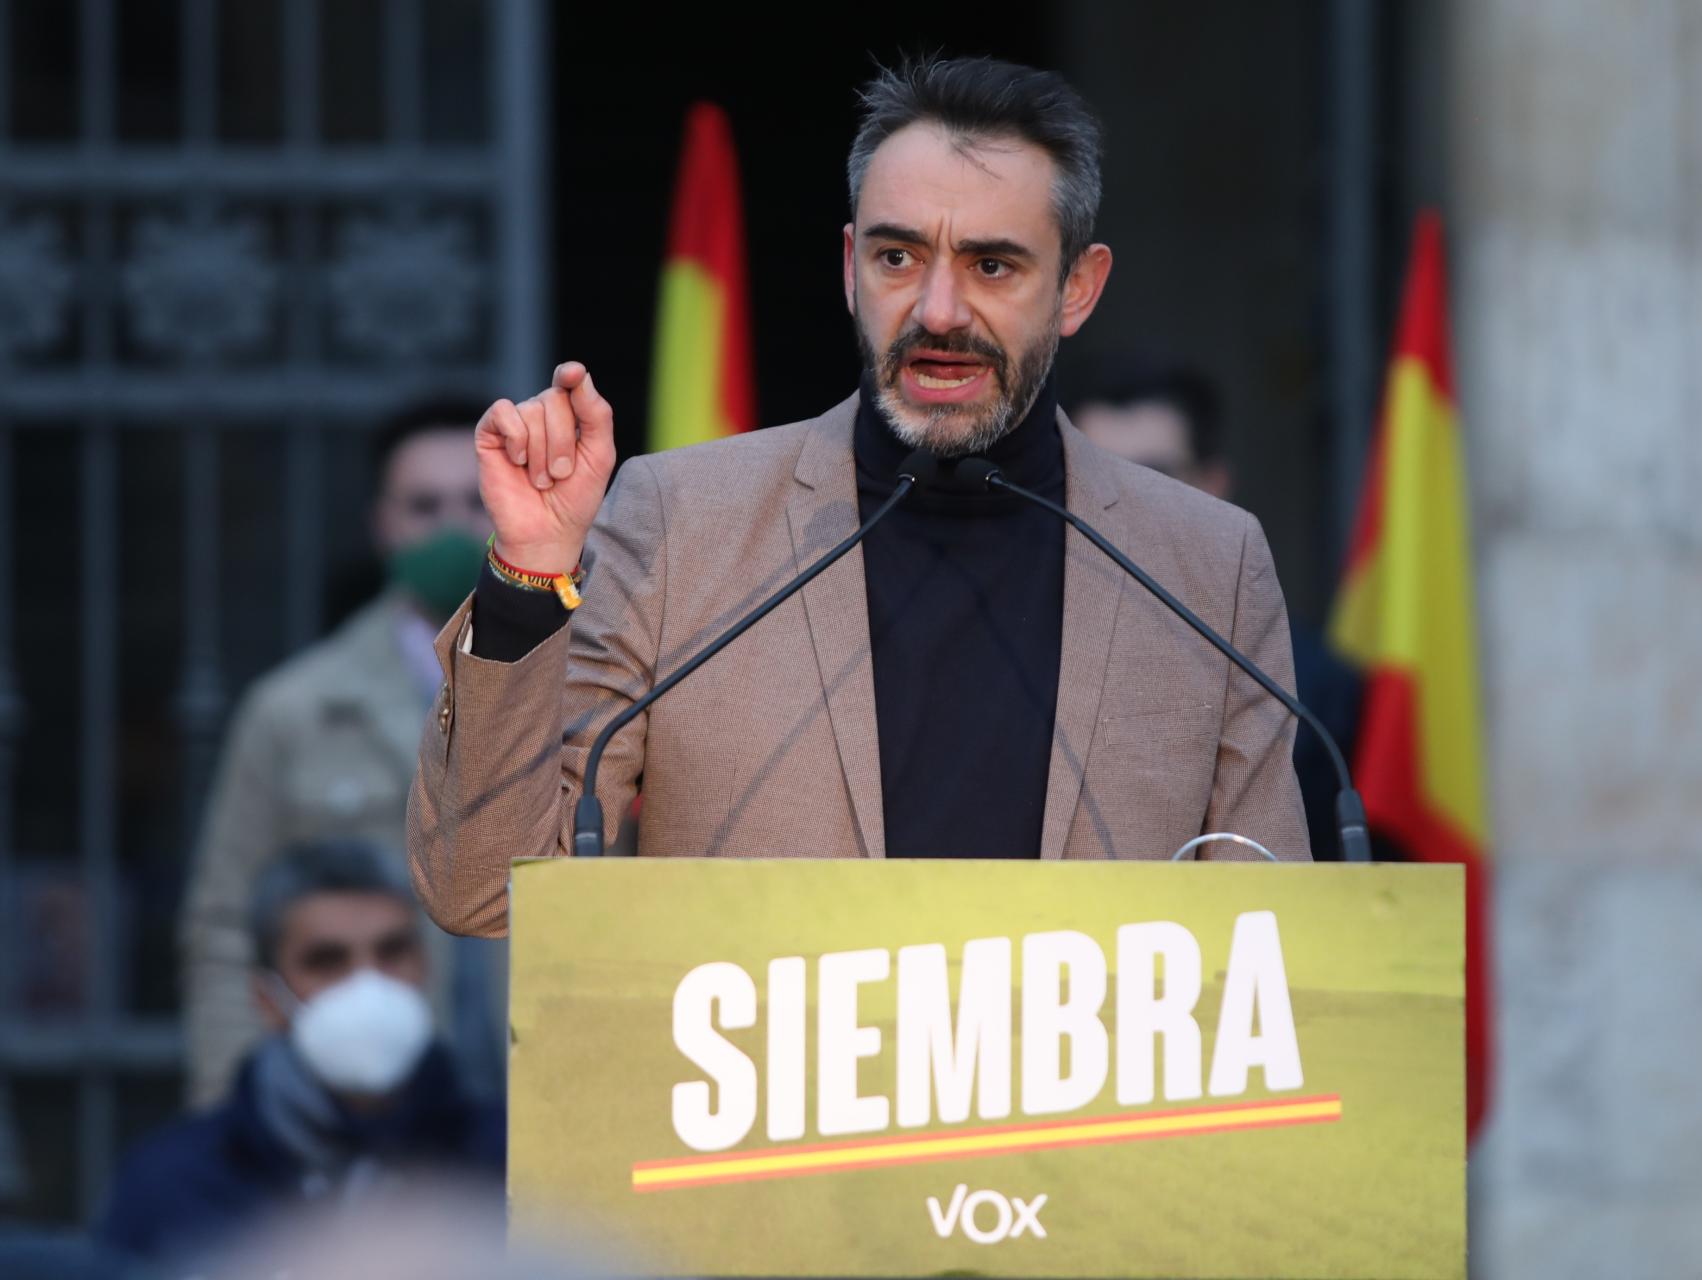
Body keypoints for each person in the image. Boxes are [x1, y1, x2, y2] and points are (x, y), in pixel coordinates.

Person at [409, 55, 1312, 940]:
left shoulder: (1206, 565)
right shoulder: (682, 522)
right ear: (850, 268)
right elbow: (486, 892)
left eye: (993, 266)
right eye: (898, 256)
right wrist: (528, 577)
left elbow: (1271, 949)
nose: (941, 311)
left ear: (1078, 286)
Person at [180, 402, 506, 1107]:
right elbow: (226, 926)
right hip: (360, 1106)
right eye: (424, 505)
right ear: (383, 524)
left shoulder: (589, 689)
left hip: (546, 1100)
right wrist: (236, 1111)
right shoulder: (296, 709)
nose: (453, 527)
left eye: (476, 501)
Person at [99, 842, 503, 1269]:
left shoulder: (503, 1164)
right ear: (268, 998)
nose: (367, 985)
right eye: (327, 961)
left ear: (424, 965)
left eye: (391, 952)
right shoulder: (175, 1186)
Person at [1068, 354, 1363, 856]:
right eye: (1099, 482)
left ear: (1214, 486)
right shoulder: (1028, 639)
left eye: (1152, 478)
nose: (1118, 506)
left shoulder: (1309, 685)